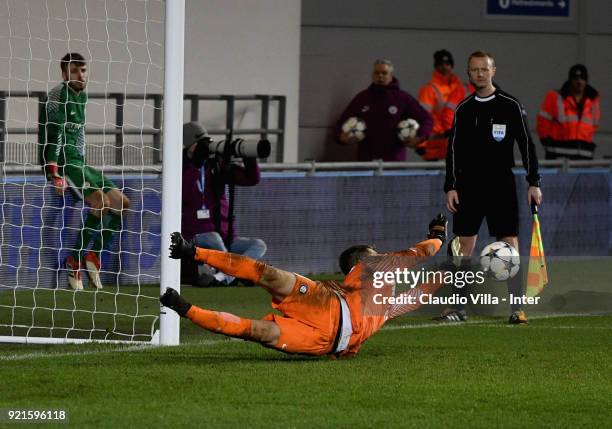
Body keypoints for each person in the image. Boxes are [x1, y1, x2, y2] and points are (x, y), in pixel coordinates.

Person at [160, 214, 448, 357]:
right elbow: (421, 252)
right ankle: (193, 252)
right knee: (271, 275)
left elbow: (414, 298)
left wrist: (442, 279)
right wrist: (438, 236)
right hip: (327, 304)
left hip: (324, 342)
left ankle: (185, 308)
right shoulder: (372, 268)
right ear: (362, 260)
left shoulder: (384, 303)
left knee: (259, 331)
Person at [441, 51, 542, 324]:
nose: (480, 74)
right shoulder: (463, 109)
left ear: (493, 70)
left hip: (501, 185)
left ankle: (516, 307)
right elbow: (452, 150)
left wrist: (534, 182)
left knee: (509, 244)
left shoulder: (509, 104)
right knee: (464, 245)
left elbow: (527, 145)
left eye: (484, 69)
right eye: (474, 70)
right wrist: (450, 186)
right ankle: (458, 307)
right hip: (468, 185)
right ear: (469, 73)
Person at [39, 53, 130, 291]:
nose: (81, 75)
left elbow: (78, 133)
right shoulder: (58, 96)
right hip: (63, 161)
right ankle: (74, 260)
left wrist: (84, 161)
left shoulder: (83, 96)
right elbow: (54, 135)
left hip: (79, 161)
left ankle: (93, 256)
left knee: (121, 202)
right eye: (75, 70)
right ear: (64, 73)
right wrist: (53, 172)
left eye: (84, 70)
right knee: (99, 201)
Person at [181, 122, 266, 286]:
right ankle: (240, 273)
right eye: (201, 144)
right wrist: (196, 164)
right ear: (190, 146)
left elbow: (251, 178)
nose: (206, 148)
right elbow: (183, 193)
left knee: (258, 245)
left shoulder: (216, 164)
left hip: (227, 237)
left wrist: (248, 157)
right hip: (196, 236)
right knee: (214, 238)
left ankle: (222, 277)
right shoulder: (181, 167)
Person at [336, 59, 432, 161]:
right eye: (377, 73)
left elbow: (426, 119)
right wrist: (340, 137)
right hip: (366, 162)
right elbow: (341, 123)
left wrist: (419, 137)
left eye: (384, 73)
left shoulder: (403, 98)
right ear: (372, 76)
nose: (380, 76)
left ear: (391, 76)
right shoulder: (362, 98)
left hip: (393, 163)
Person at [537, 64, 601, 160]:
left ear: (586, 80)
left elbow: (594, 126)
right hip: (558, 155)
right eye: (575, 78)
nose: (579, 81)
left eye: (582, 78)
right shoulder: (555, 97)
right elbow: (542, 123)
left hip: (584, 155)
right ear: (570, 80)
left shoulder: (593, 100)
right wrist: (548, 144)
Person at [416, 49, 467, 161]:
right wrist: (421, 143)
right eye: (440, 64)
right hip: (435, 147)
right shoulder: (429, 90)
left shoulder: (461, 88)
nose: (444, 67)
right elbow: (422, 118)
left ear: (452, 65)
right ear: (436, 66)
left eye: (447, 63)